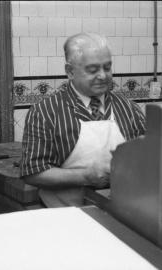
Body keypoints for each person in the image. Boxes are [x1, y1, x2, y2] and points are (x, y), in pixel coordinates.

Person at [20, 32, 146, 208]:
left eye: (107, 67)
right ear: (70, 71)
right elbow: (32, 172)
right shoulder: (45, 111)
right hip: (65, 216)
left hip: (122, 211)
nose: (103, 75)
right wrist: (85, 176)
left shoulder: (129, 108)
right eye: (92, 70)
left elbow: (147, 158)